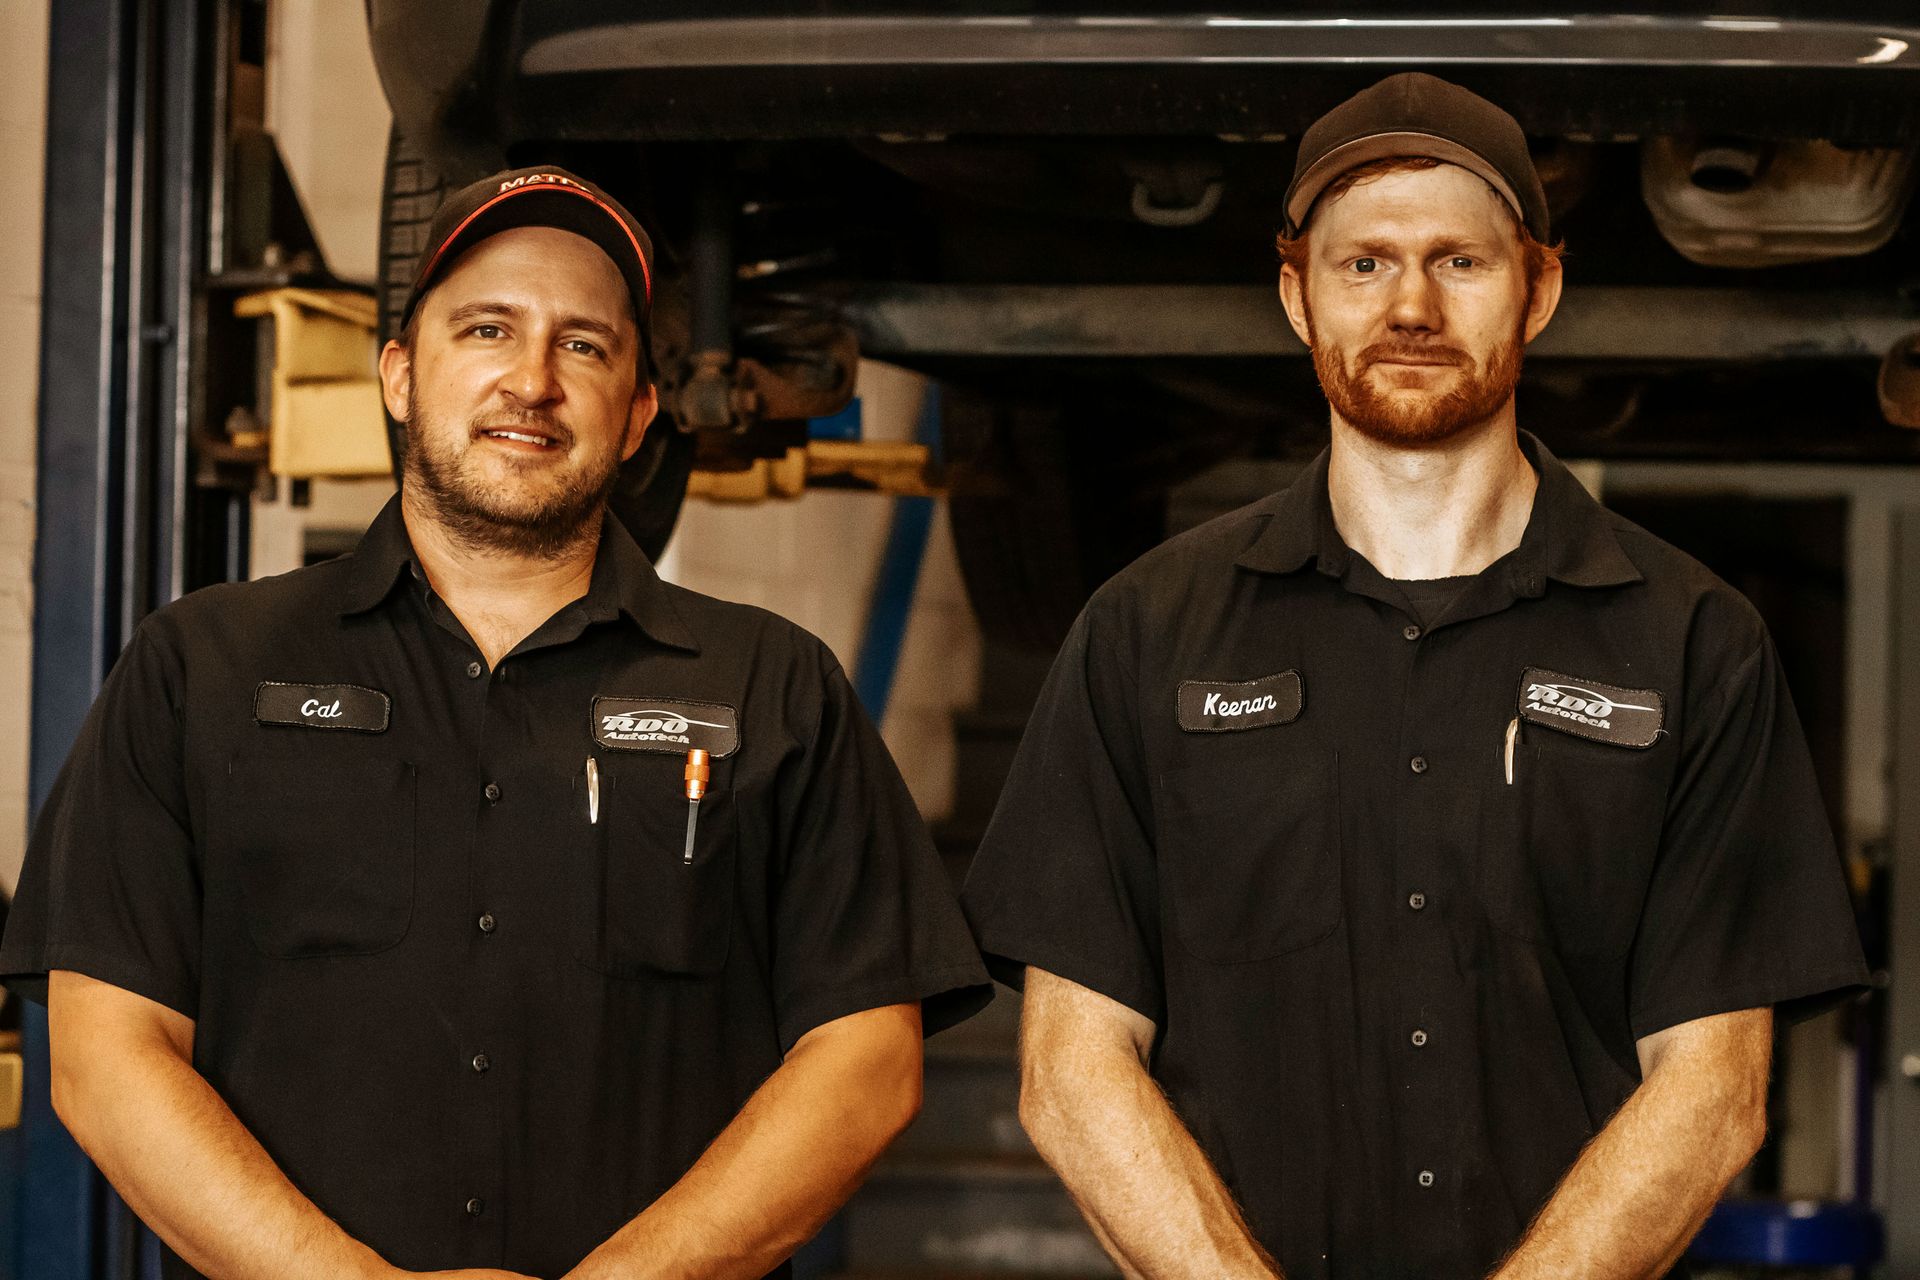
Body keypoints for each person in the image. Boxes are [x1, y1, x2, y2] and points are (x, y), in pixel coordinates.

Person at [2, 166, 990, 1280]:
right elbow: (103, 1047)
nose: (533, 378)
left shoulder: (774, 690)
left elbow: (864, 1057)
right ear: (399, 373)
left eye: (585, 345)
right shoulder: (204, 668)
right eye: (488, 328)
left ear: (639, 414)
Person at [960, 74, 1868, 1280]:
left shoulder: (1695, 641)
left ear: (1540, 286)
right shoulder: (1147, 631)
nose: (1413, 304)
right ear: (1296, 295)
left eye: (1461, 261)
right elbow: (1071, 1069)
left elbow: (1713, 1085)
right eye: (1365, 264)